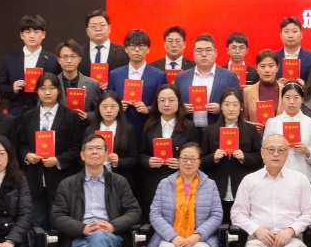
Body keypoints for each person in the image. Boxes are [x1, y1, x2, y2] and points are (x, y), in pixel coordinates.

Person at [17, 73, 84, 247]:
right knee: (38, 232)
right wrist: (28, 155)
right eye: (43, 88)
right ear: (36, 91)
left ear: (59, 91)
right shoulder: (28, 117)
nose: (47, 92)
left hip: (60, 183)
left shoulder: (70, 116)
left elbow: (77, 148)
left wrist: (59, 160)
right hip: (35, 182)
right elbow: (20, 145)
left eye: (52, 88)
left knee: (58, 232)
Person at [201, 88, 264, 221]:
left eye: (235, 105)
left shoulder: (251, 130)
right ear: (221, 107)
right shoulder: (209, 131)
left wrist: (244, 157)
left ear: (241, 107)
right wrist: (213, 158)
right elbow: (200, 161)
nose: (231, 109)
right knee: (219, 222)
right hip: (217, 186)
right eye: (227, 104)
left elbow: (259, 159)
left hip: (243, 186)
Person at [138, 84, 197, 220]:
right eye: (162, 100)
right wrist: (148, 161)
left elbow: (198, 154)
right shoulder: (149, 125)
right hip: (154, 180)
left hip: (181, 180)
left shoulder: (188, 126)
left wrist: (182, 163)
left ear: (178, 102)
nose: (166, 104)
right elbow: (140, 154)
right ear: (156, 103)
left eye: (171, 100)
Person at [0, 14, 61, 119]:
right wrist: (13, 88)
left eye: (36, 32)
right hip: (16, 116)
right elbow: (0, 88)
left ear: (43, 34)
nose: (32, 36)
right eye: (28, 32)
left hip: (44, 114)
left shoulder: (53, 60)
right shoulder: (10, 59)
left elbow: (59, 87)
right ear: (21, 35)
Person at [263, 83, 311, 187]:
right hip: (277, 175)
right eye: (287, 98)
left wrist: (307, 151)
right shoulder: (273, 122)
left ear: (302, 100)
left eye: (296, 98)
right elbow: (264, 151)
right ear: (282, 99)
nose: (291, 102)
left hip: (303, 175)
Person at [175, 33, 241, 128]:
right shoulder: (181, 77)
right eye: (199, 51)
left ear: (216, 53)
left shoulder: (229, 76)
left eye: (208, 50)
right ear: (193, 53)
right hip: (188, 130)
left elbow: (239, 104)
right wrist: (181, 108)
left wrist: (221, 108)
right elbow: (174, 103)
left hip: (217, 129)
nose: (204, 54)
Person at [108, 29, 167, 135]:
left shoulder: (159, 75)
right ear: (126, 49)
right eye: (132, 46)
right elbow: (107, 100)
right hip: (120, 129)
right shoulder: (115, 74)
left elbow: (163, 103)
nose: (136, 50)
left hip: (147, 127)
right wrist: (117, 106)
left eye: (141, 46)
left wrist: (148, 109)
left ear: (148, 49)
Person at [84, 91, 141, 199]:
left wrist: (119, 161)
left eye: (113, 106)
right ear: (98, 108)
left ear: (119, 108)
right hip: (93, 180)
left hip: (120, 181)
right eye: (104, 107)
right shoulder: (90, 130)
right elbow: (81, 157)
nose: (108, 110)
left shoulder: (128, 130)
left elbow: (134, 159)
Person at [56, 39, 102, 117]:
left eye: (73, 56)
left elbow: (98, 112)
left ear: (79, 59)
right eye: (65, 57)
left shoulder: (92, 84)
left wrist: (87, 116)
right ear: (59, 60)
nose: (69, 61)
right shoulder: (53, 83)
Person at [241, 49, 282, 131]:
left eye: (271, 66)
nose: (267, 70)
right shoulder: (247, 91)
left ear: (277, 67)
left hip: (281, 137)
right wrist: (251, 126)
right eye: (262, 66)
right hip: (255, 137)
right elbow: (242, 119)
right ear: (256, 68)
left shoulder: (285, 90)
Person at [84, 10, 128, 83]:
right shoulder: (79, 53)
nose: (98, 29)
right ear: (87, 31)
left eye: (102, 25)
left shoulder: (123, 52)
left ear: (109, 28)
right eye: (93, 26)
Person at [279, 17, 311, 81]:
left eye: (294, 31)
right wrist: (277, 85)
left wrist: (305, 85)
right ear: (281, 36)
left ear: (301, 34)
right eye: (286, 32)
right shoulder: (274, 58)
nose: (290, 35)